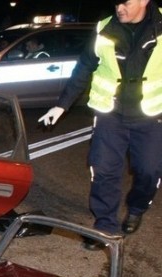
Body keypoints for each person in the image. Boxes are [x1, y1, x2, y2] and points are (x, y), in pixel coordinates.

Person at [39, 0, 162, 250]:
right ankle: (105, 226)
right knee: (103, 170)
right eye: (116, 2)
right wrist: (62, 105)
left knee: (148, 171)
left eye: (125, 2)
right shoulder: (104, 29)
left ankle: (137, 207)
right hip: (110, 113)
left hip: (151, 115)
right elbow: (84, 66)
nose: (119, 7)